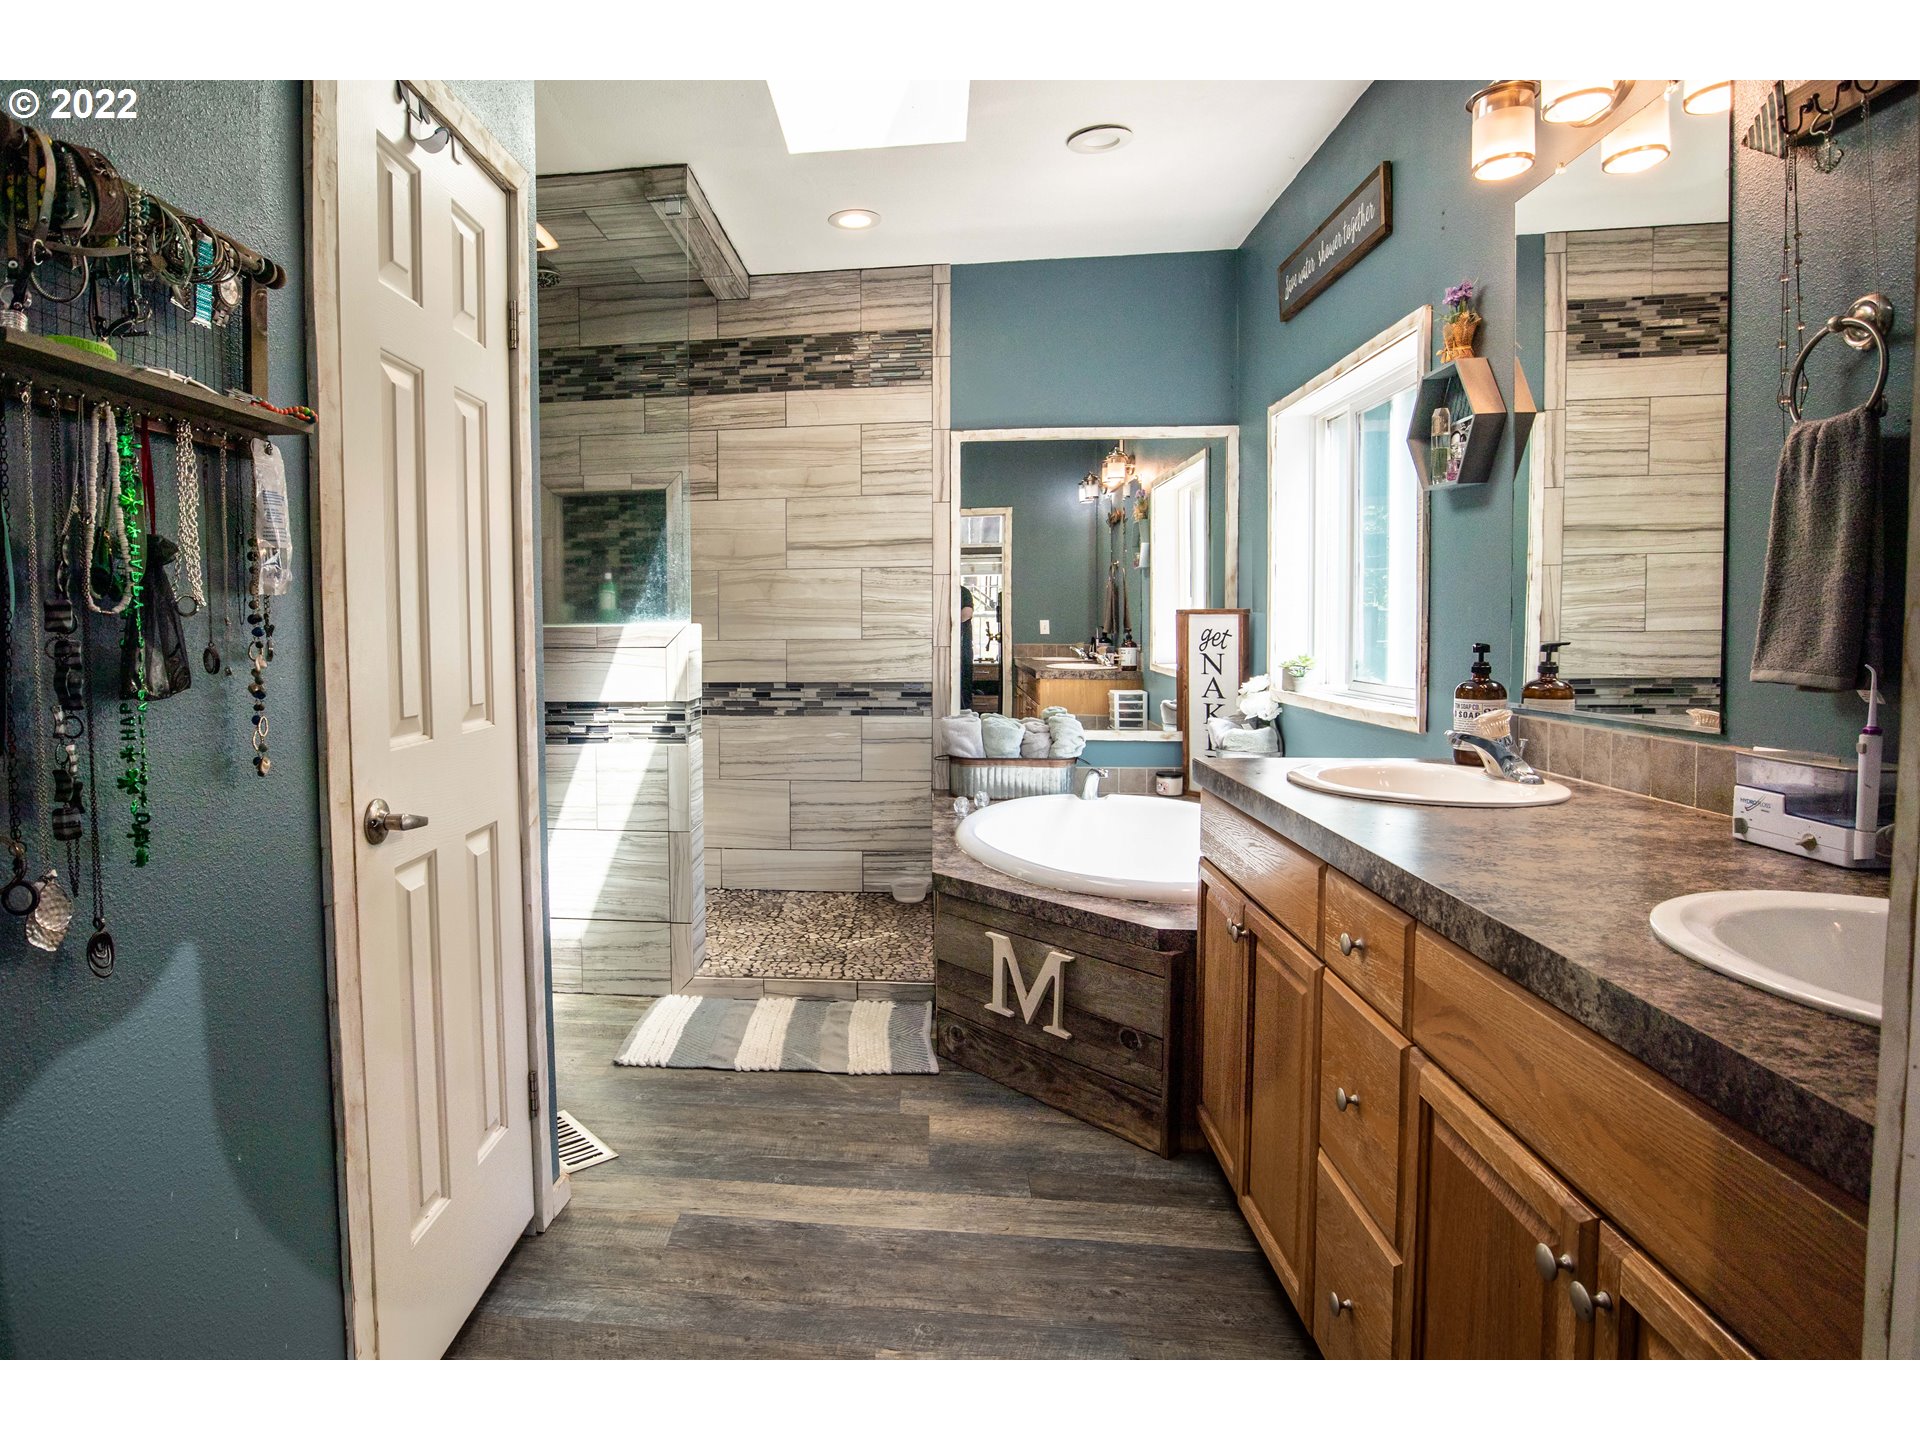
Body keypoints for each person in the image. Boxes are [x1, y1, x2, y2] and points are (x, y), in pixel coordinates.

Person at [958, 584, 975, 710]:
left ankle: (966, 715)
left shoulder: (963, 592)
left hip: (963, 647)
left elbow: (967, 613)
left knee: (964, 684)